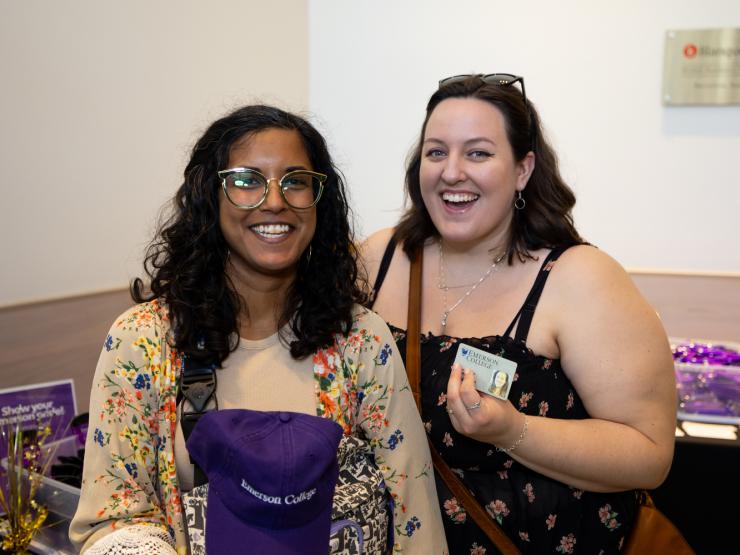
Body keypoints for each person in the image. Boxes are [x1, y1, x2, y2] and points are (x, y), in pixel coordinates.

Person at [70, 105, 448, 554]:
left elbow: (413, 514)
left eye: (295, 181)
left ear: (317, 199)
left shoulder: (360, 340)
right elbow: (111, 519)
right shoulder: (144, 341)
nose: (274, 201)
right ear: (209, 195)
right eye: (247, 180)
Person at [362, 74, 676, 554]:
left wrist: (513, 431)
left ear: (523, 169)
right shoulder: (380, 259)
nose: (451, 173)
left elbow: (649, 455)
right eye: (436, 152)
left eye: (478, 153)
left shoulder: (578, 278)